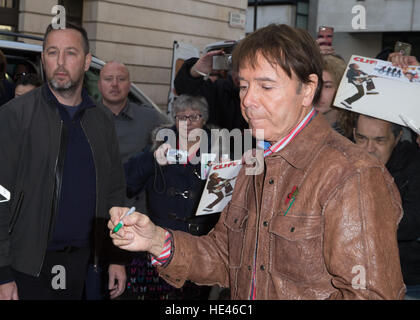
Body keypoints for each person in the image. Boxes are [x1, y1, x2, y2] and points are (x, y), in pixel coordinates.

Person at [108, 24, 405, 300]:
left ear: (307, 89)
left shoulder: (352, 174)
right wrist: (157, 240)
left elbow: (371, 295)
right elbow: (226, 257)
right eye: (244, 86)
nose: (248, 100)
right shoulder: (253, 163)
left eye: (266, 86)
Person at [0, 22, 127, 300]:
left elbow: (115, 193)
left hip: (88, 265)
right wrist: (3, 272)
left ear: (86, 62)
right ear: (43, 57)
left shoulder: (102, 120)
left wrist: (116, 256)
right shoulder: (15, 115)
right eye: (51, 52)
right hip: (29, 266)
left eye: (70, 53)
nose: (60, 62)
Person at [123, 94, 224, 299]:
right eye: (181, 117)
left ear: (204, 119)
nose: (187, 123)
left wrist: (222, 171)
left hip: (199, 247)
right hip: (159, 243)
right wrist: (152, 159)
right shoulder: (159, 144)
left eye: (194, 117)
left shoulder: (219, 148)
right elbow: (128, 182)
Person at [353, 114, 420, 299]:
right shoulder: (342, 159)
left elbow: (412, 222)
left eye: (379, 140)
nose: (369, 148)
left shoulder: (414, 164)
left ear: (397, 137)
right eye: (361, 138)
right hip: (355, 275)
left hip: (407, 279)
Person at [174, 49, 248, 132]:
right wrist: (196, 70)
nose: (240, 74)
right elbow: (184, 89)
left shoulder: (262, 94)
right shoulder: (219, 89)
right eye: (237, 68)